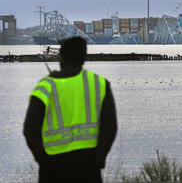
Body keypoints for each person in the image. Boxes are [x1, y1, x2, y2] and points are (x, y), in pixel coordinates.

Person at [23, 36, 117, 183]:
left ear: (61, 58)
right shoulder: (99, 84)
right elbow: (110, 126)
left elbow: (30, 129)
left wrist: (42, 160)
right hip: (89, 167)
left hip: (53, 168)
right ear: (84, 57)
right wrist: (100, 159)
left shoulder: (45, 86)